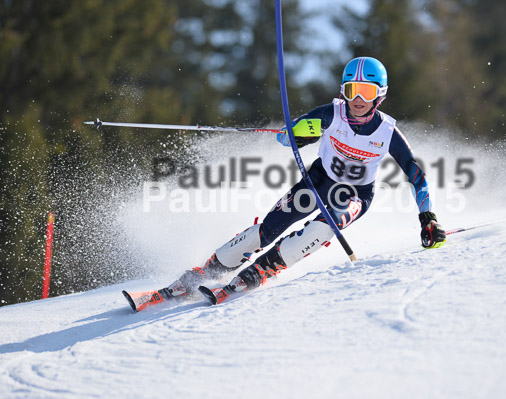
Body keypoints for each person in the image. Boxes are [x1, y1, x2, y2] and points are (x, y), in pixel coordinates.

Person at [161, 57, 446, 305]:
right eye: (351, 90)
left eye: (366, 91)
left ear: (379, 95)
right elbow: (287, 136)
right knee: (269, 229)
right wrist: (295, 135)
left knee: (325, 226)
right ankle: (210, 269)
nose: (357, 99)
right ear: (343, 91)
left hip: (355, 195)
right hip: (318, 182)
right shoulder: (330, 114)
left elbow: (414, 172)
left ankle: (264, 269)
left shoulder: (387, 131)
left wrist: (427, 217)